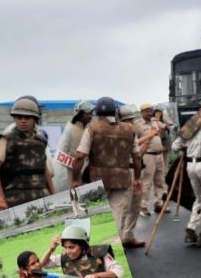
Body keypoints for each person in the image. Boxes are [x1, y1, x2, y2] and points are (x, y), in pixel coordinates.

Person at [72, 97, 144, 248]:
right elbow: (137, 156)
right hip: (121, 179)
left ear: (97, 112)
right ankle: (109, 248)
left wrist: (75, 179)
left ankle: (90, 247)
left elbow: (80, 156)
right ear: (116, 111)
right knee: (116, 214)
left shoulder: (92, 128)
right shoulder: (129, 129)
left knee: (96, 214)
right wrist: (137, 178)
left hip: (97, 178)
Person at [0, 96, 55, 209]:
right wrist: (0, 198)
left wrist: (53, 194)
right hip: (14, 198)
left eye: (27, 117)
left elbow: (44, 170)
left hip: (40, 196)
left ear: (34, 119)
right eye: (19, 117)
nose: (23, 121)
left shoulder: (40, 141)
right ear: (14, 118)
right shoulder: (6, 140)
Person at [173, 98, 201, 247]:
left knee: (199, 199)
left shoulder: (190, 127)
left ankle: (191, 230)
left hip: (190, 166)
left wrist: (187, 147)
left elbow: (175, 146)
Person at [118, 104, 147, 248]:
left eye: (132, 120)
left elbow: (137, 155)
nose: (131, 123)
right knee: (123, 208)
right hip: (122, 173)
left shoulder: (131, 134)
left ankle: (128, 236)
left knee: (135, 205)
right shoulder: (115, 135)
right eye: (128, 120)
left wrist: (137, 177)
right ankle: (115, 241)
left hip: (134, 171)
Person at [135, 103, 169, 216]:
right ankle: (143, 206)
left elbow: (165, 126)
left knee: (160, 180)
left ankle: (159, 203)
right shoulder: (138, 124)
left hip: (159, 155)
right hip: (148, 155)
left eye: (150, 111)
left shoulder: (154, 121)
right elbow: (135, 142)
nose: (149, 113)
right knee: (147, 182)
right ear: (141, 112)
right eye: (147, 111)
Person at [53, 100, 94, 193]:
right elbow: (79, 157)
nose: (90, 116)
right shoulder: (76, 130)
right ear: (79, 114)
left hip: (65, 169)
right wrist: (77, 179)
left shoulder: (74, 126)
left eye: (91, 113)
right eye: (87, 113)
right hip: (67, 173)